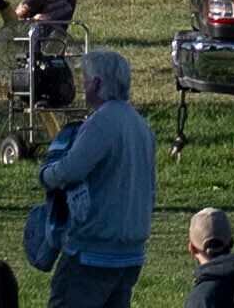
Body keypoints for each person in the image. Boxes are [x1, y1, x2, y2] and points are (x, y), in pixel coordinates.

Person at [40, 65, 160, 308]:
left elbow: (70, 171)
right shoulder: (140, 124)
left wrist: (45, 175)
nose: (83, 87)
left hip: (93, 252)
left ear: (96, 84)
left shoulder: (101, 123)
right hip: (131, 252)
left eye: (85, 81)